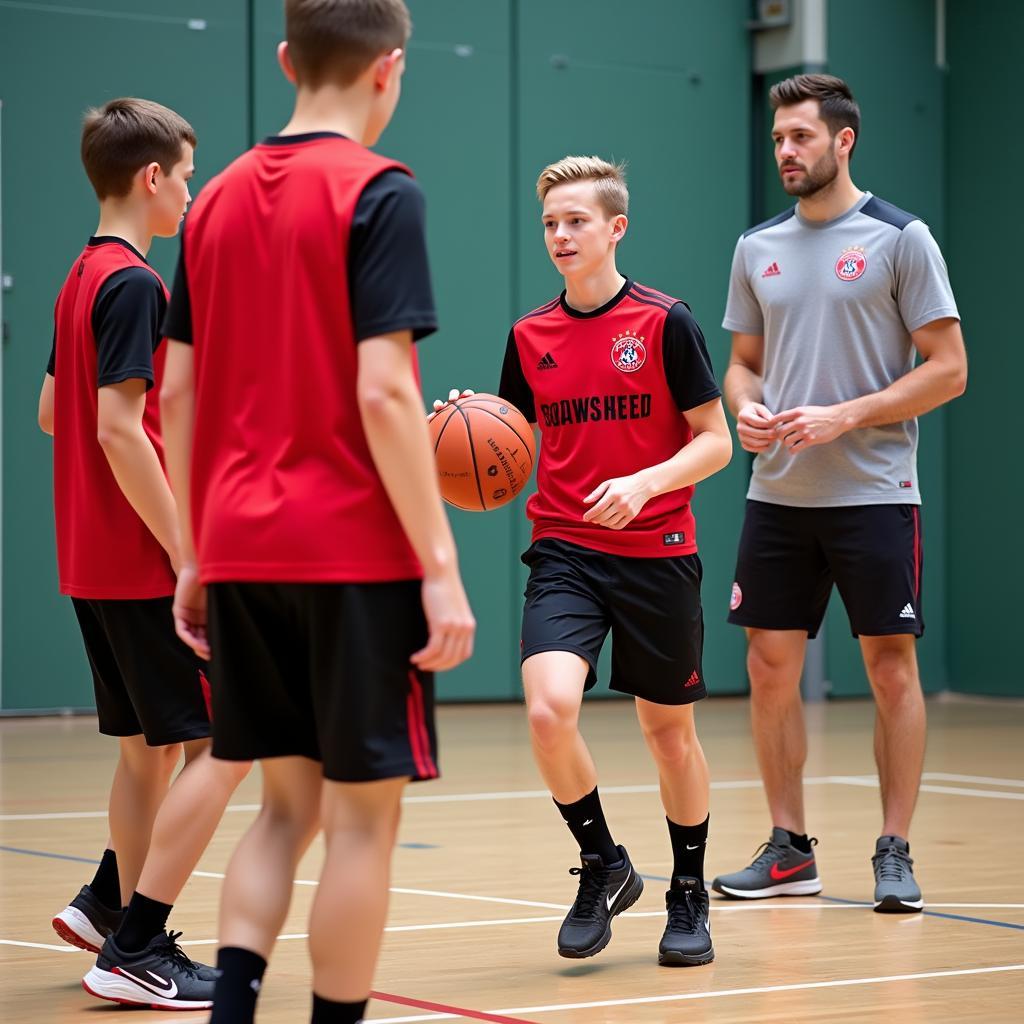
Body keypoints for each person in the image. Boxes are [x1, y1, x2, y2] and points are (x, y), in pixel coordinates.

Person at [159, 2, 475, 1021]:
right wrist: (439, 561)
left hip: (243, 545)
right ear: (390, 70)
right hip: (352, 553)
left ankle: (235, 1010)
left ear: (289, 58)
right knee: (358, 827)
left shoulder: (206, 209)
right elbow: (386, 392)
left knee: (279, 809)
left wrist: (199, 549)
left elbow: (176, 396)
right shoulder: (382, 193)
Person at [439, 155, 732, 965]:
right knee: (546, 710)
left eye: (575, 221)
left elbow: (716, 441)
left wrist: (646, 483)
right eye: (550, 223)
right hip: (566, 548)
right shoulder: (529, 337)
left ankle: (687, 892)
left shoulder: (666, 323)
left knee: (668, 735)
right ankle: (603, 861)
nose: (561, 236)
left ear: (615, 228)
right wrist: (464, 425)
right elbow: (512, 447)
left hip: (659, 549)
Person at [713, 74, 967, 912]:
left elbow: (949, 369)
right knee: (767, 668)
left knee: (890, 671)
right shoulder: (757, 246)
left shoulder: (902, 239)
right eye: (779, 138)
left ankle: (894, 849)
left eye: (801, 137)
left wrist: (847, 416)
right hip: (778, 495)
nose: (786, 151)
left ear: (843, 140)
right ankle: (789, 849)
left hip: (876, 492)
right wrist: (744, 406)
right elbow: (743, 361)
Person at [38, 97, 249, 1011]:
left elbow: (54, 413)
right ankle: (136, 945)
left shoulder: (80, 275)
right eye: (189, 175)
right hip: (141, 563)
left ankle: (111, 912)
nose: (193, 193)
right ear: (152, 178)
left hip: (89, 557)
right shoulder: (137, 286)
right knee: (223, 736)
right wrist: (188, 551)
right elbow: (117, 430)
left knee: (145, 753)